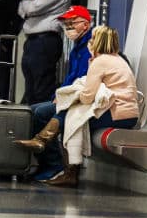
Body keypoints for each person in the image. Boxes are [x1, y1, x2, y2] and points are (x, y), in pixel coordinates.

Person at [17, 25, 138, 188]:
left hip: (117, 115)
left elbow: (87, 96)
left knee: (72, 115)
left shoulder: (101, 61)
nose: (90, 42)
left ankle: (54, 156)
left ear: (99, 42)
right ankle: (51, 151)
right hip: (124, 114)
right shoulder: (116, 59)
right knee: (71, 113)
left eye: (93, 39)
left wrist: (73, 95)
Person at [13, 5, 94, 181]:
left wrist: (63, 98)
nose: (68, 28)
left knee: (41, 113)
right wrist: (58, 96)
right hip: (70, 97)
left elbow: (84, 80)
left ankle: (54, 165)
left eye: (72, 23)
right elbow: (70, 78)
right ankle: (46, 164)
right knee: (31, 110)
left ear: (85, 25)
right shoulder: (76, 48)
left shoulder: (91, 46)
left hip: (82, 100)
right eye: (66, 24)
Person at [17, 0, 72, 105]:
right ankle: (29, 125)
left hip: (45, 42)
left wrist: (28, 8)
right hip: (33, 42)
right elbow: (22, 5)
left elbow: (33, 7)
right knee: (30, 89)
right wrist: (28, 7)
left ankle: (41, 125)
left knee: (42, 89)